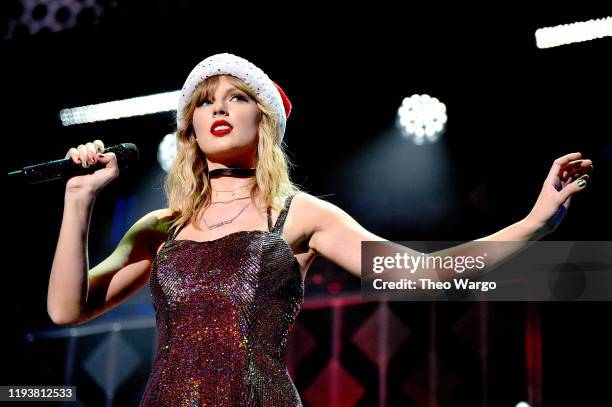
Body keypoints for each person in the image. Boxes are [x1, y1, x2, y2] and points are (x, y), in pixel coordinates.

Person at [46, 53, 594, 406]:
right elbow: (66, 310)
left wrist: (533, 223)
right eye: (205, 101)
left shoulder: (300, 214)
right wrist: (78, 202)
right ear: (189, 128)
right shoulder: (158, 228)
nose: (219, 107)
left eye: (237, 97)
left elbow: (423, 273)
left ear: (265, 120)